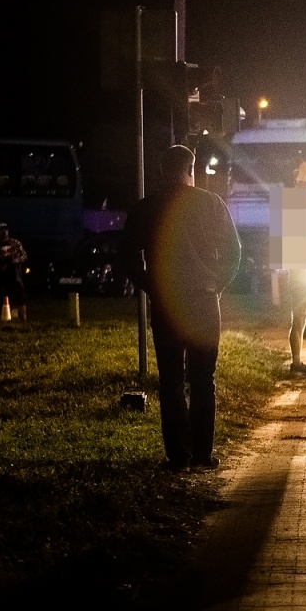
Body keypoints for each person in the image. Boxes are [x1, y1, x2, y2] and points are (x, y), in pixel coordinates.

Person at [119, 145, 242, 469]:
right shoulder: (211, 203)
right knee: (203, 379)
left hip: (167, 303)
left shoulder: (146, 208)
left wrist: (151, 286)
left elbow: (127, 257)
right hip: (204, 301)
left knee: (171, 380)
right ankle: (202, 455)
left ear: (162, 170)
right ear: (191, 168)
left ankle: (178, 457)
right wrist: (217, 283)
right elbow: (234, 251)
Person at [0, 223, 28, 321]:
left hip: (15, 274)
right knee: (2, 296)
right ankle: (6, 318)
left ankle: (23, 318)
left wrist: (18, 260)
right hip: (1, 275)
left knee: (20, 295)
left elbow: (24, 255)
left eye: (5, 229)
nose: (3, 232)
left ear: (8, 231)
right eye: (1, 230)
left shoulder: (15, 242)